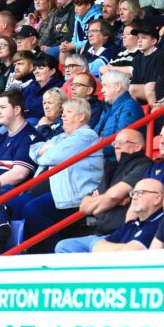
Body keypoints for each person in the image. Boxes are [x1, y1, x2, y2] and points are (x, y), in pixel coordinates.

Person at [23, 98, 103, 253]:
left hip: (73, 196)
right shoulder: (62, 137)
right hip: (54, 191)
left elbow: (51, 156)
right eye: (63, 112)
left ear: (81, 117)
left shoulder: (86, 135)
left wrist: (47, 150)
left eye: (68, 112)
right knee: (12, 207)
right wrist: (47, 149)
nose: (63, 116)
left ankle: (54, 254)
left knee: (33, 209)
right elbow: (33, 151)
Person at [59, 178, 164, 253]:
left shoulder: (160, 222)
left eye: (140, 193)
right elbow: (103, 244)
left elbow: (131, 251)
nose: (134, 197)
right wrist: (115, 249)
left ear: (157, 199)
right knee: (64, 246)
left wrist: (99, 247)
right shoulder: (132, 224)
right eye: (133, 193)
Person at [0, 91, 42, 192]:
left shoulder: (30, 137)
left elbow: (18, 175)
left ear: (17, 110)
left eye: (3, 107)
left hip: (5, 195)